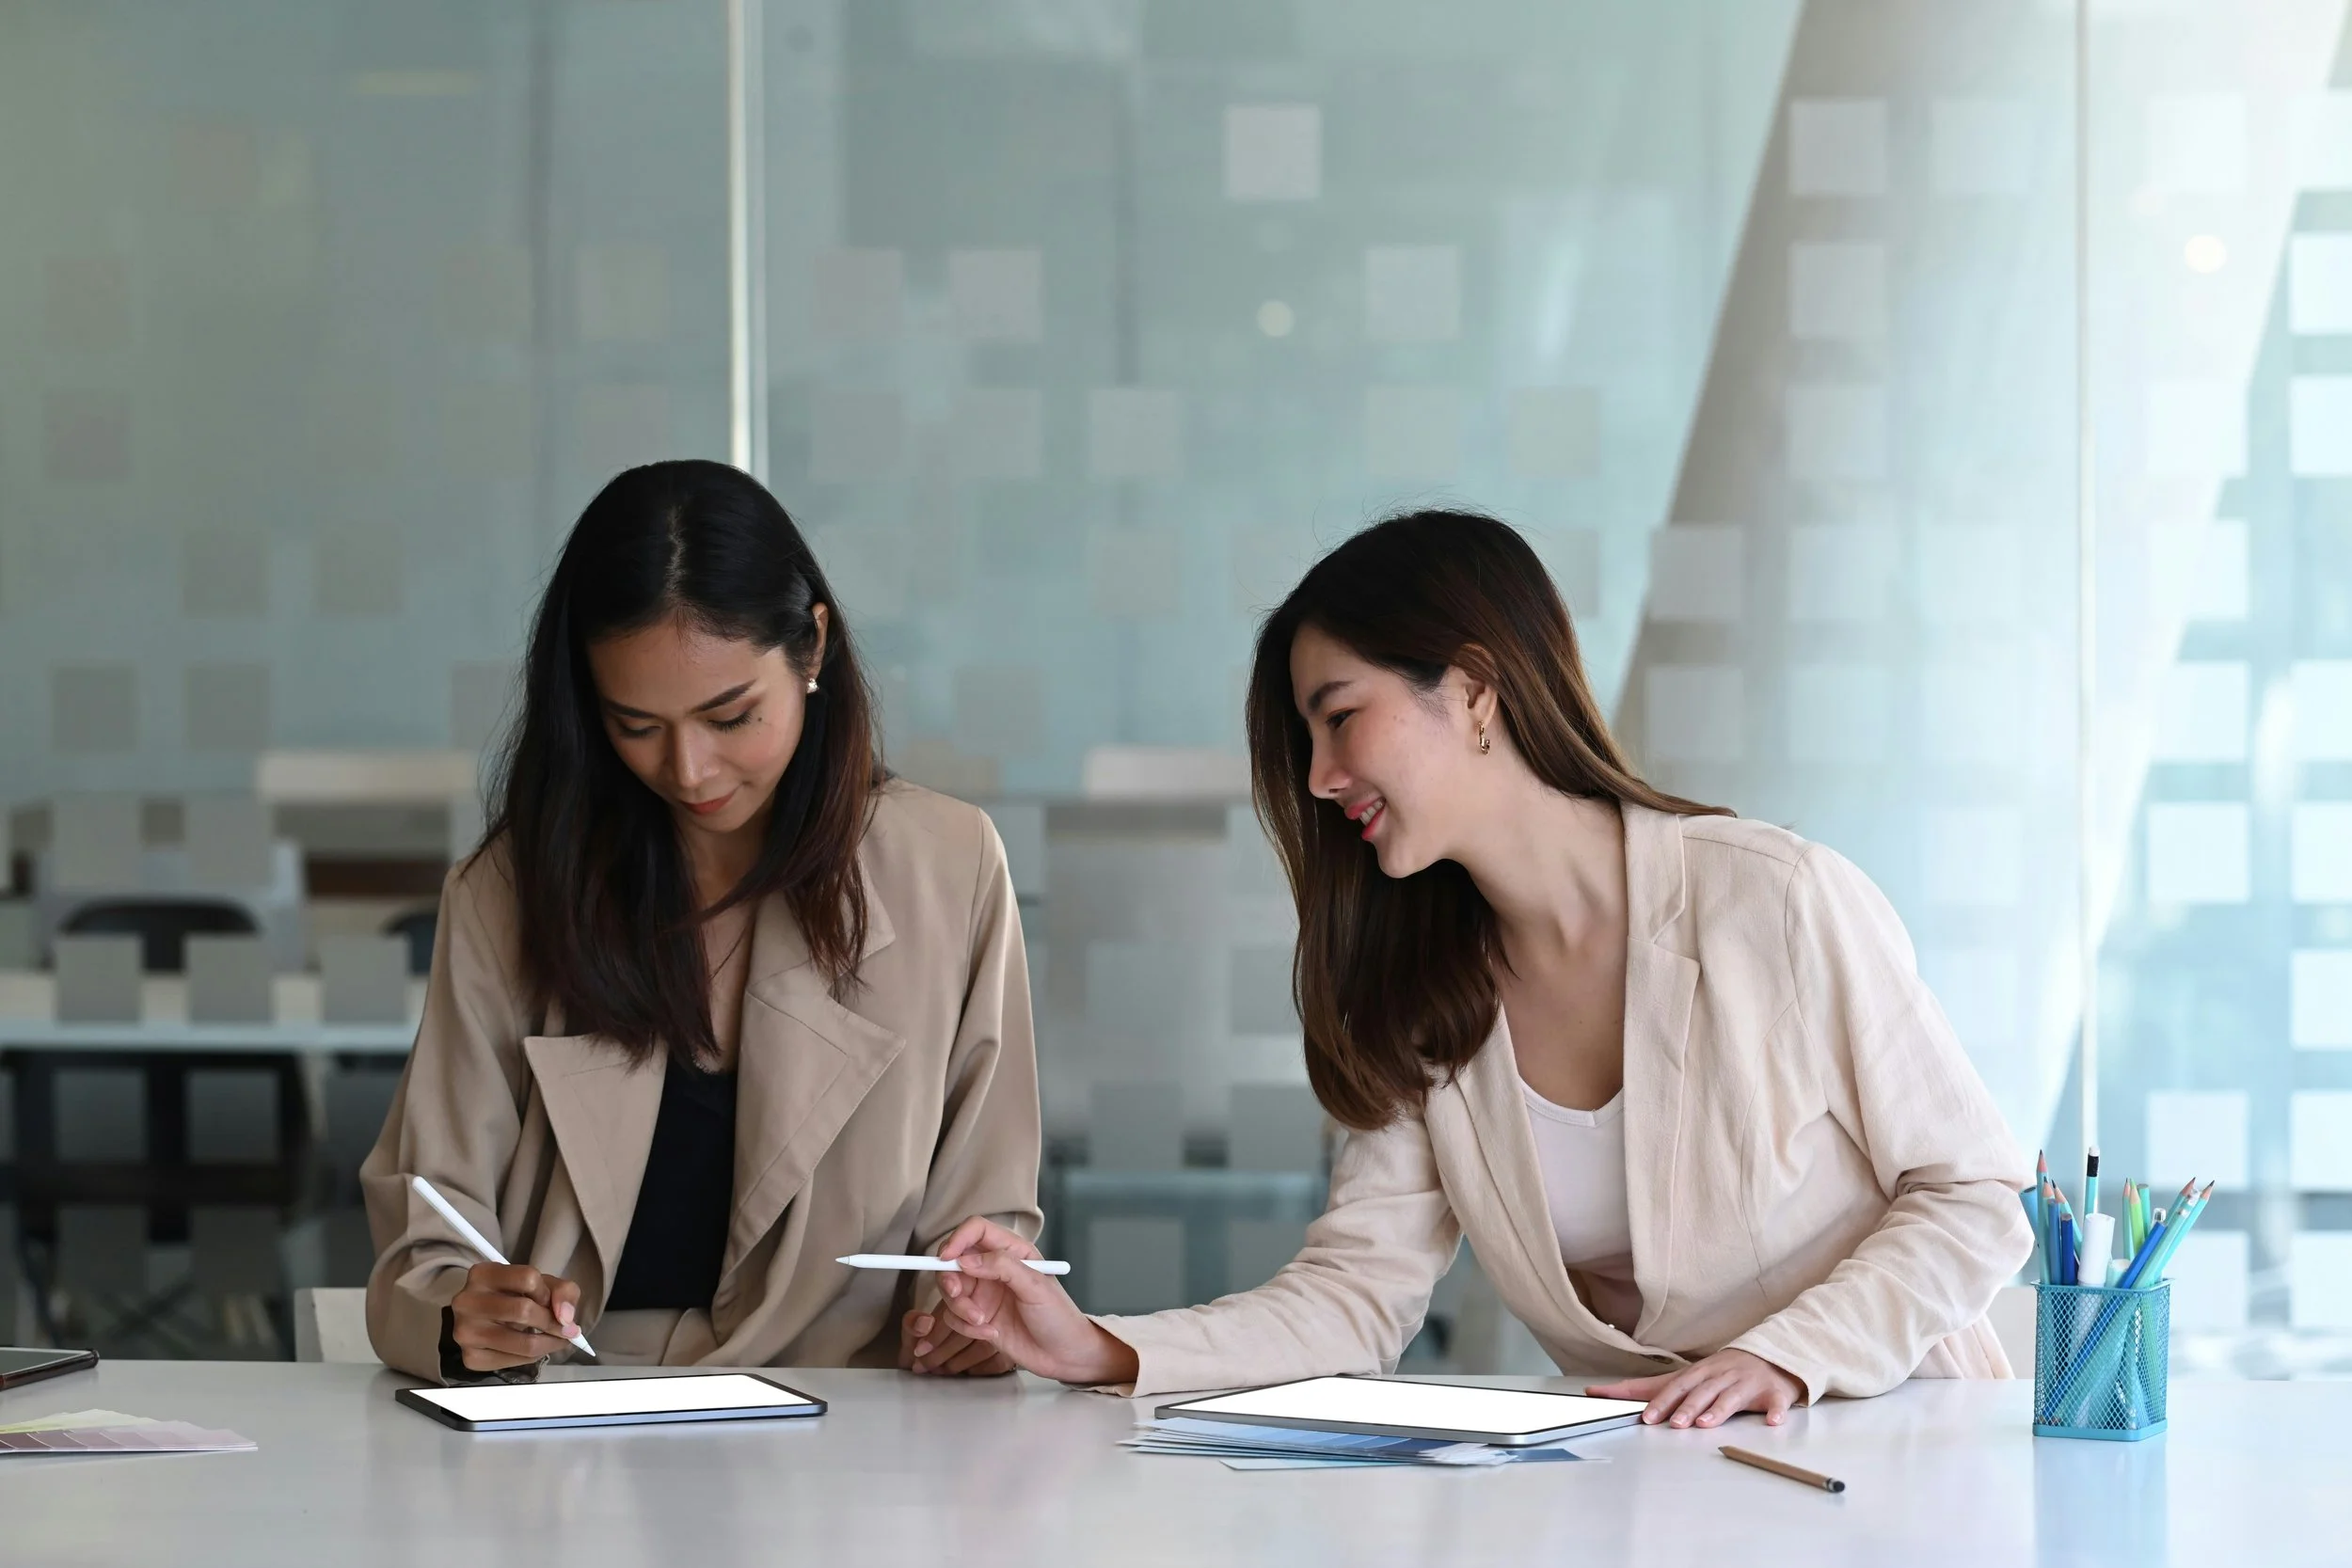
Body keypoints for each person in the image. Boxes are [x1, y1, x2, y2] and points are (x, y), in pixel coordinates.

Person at [919, 509, 2033, 1430]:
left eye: (1339, 719)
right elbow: (1356, 1298)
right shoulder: (1423, 996)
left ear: (1475, 690)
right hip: (1654, 1487)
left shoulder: (1774, 899)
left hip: (1892, 1451)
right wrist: (1096, 1343)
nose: (1316, 777)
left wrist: (1787, 1358)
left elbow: (1974, 1193)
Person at [362, 460, 1041, 1383]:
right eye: (635, 723)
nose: (688, 768)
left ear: (812, 651)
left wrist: (970, 1314)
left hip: (847, 1414)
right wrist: (457, 1312)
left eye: (730, 714)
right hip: (565, 1412)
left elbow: (984, 1217)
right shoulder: (510, 888)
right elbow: (427, 1228)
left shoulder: (948, 866)